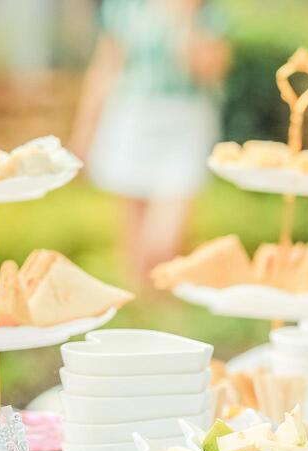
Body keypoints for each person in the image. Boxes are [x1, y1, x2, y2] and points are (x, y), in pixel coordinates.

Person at [71, 0, 230, 287]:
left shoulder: (208, 13)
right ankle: (146, 318)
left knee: (162, 246)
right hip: (131, 118)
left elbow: (208, 69)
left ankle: (168, 311)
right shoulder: (125, 8)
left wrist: (185, 18)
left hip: (184, 123)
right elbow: (105, 69)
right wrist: (84, 132)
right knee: (132, 249)